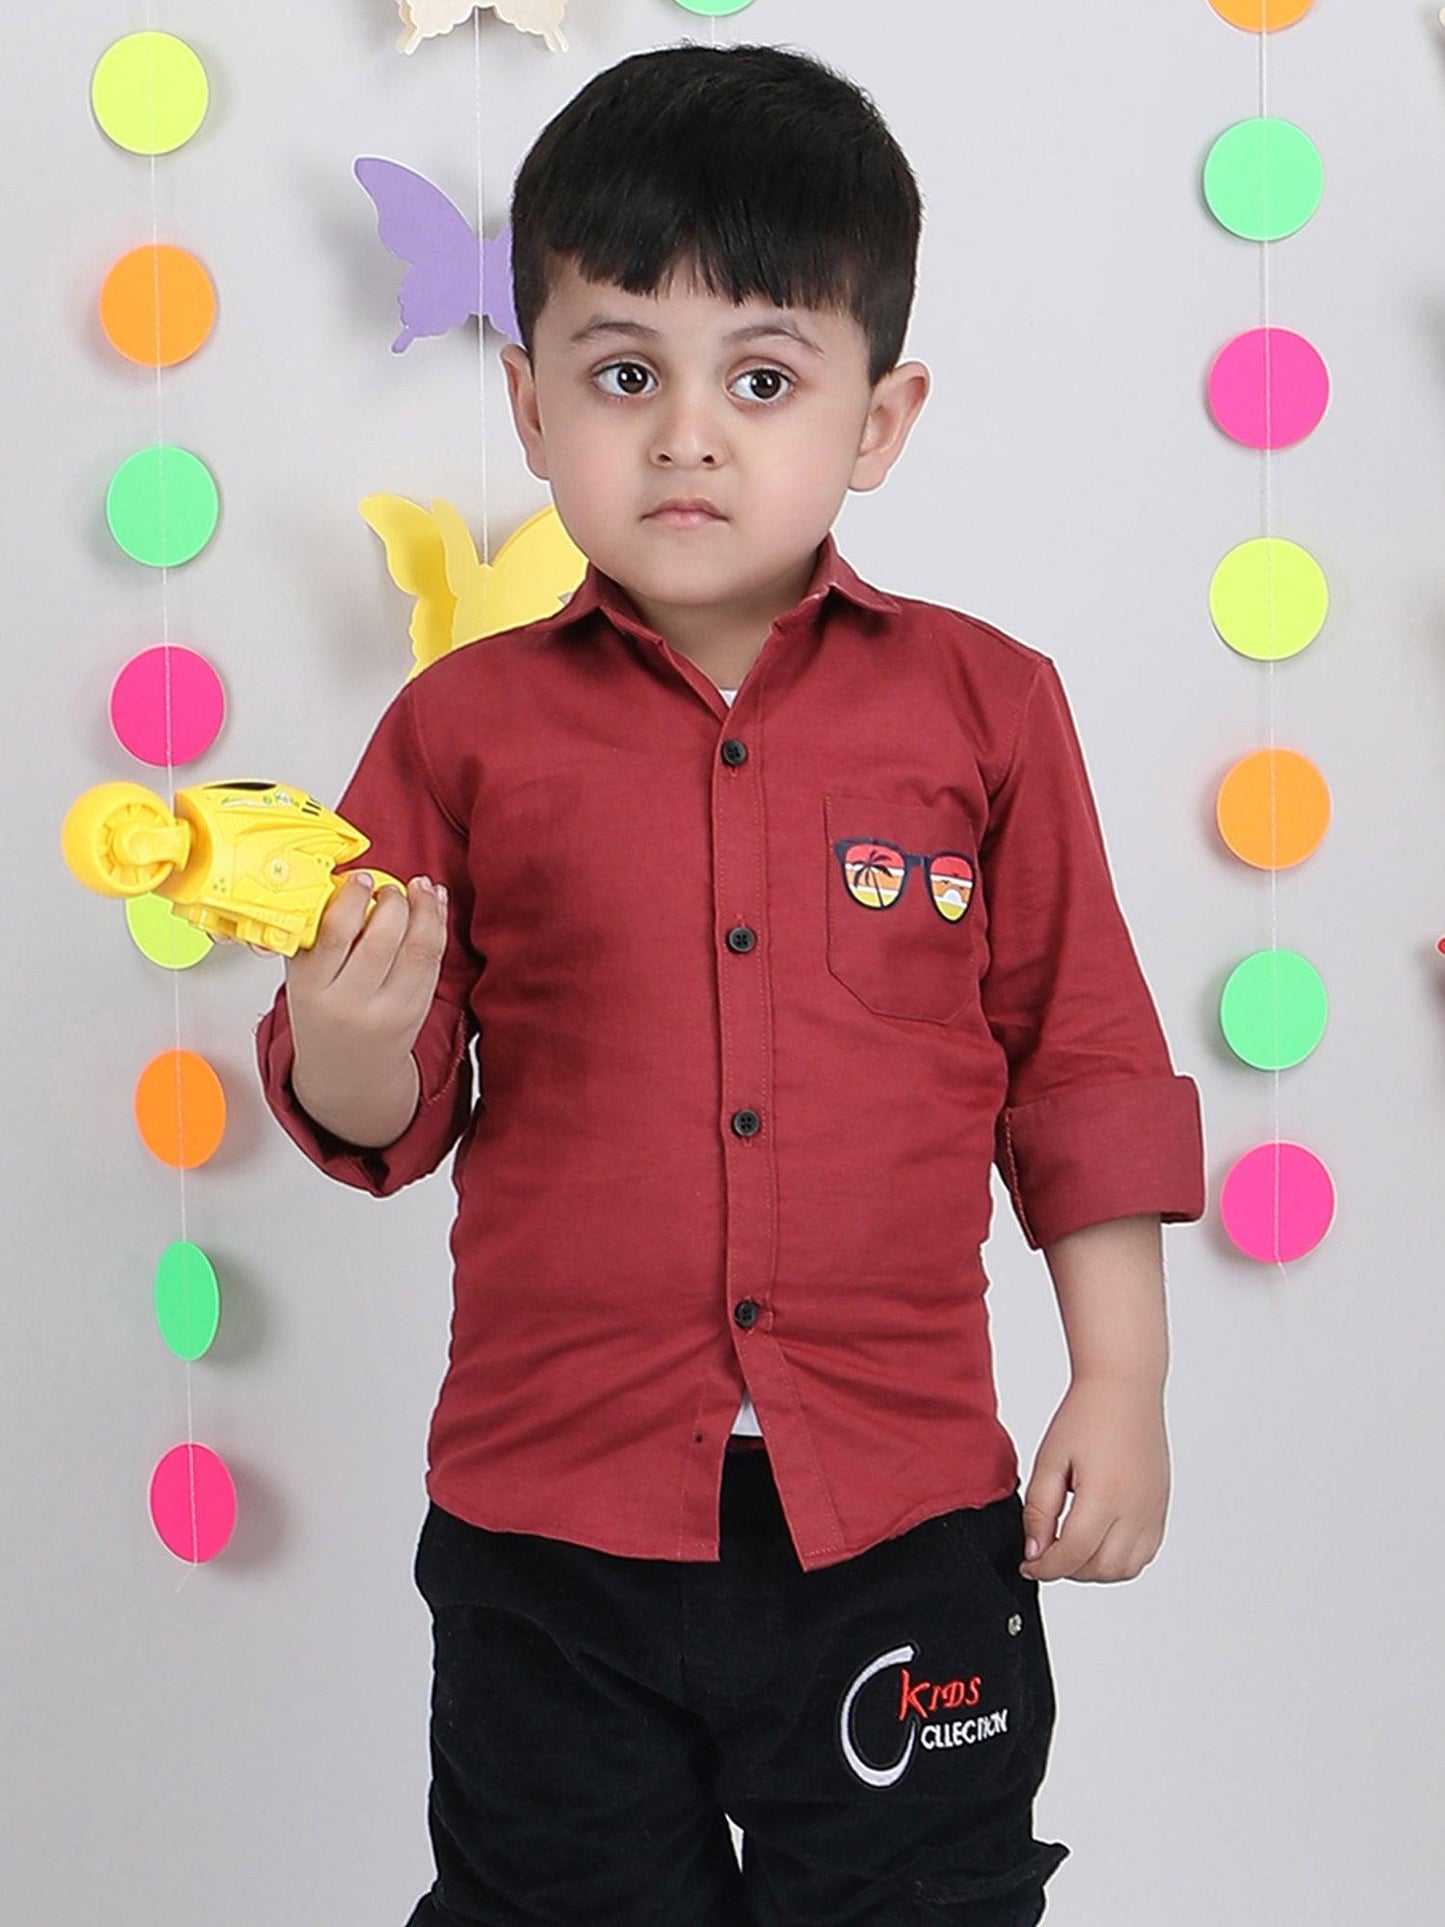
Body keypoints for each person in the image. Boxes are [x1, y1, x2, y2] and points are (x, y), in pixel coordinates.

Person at [256, 39, 1205, 1927]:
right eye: (624, 374)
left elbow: (1079, 1061)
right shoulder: (455, 730)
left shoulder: (990, 706)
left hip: (901, 1519)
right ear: (528, 405)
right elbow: (385, 1109)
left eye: (761, 379)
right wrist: (352, 1043)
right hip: (550, 1526)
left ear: (877, 418)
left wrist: (1122, 1377)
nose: (687, 435)